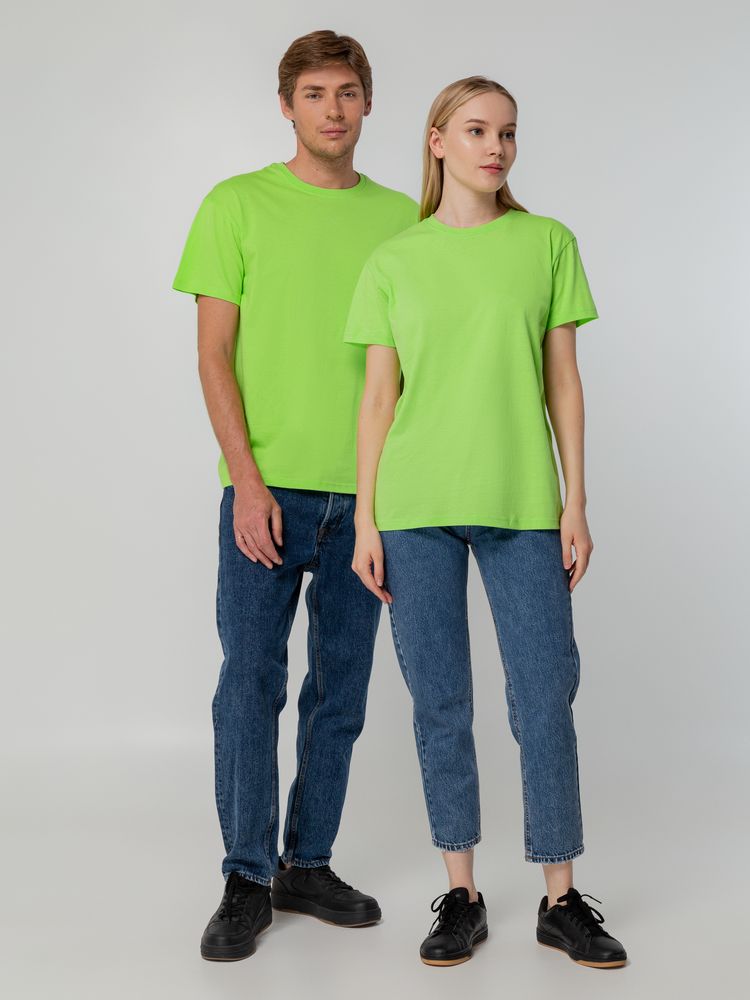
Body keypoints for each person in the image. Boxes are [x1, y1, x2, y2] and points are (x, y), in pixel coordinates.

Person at [344, 76, 628, 970]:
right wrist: (365, 519)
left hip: (522, 502)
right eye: (475, 130)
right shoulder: (394, 260)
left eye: (507, 132)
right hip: (414, 507)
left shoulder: (546, 243)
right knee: (441, 704)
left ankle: (561, 898)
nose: (495, 146)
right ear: (437, 141)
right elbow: (378, 399)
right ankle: (461, 895)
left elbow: (563, 381)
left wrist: (575, 498)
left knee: (544, 696)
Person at [172, 30, 418, 961]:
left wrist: (392, 497)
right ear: (286, 105)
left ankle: (305, 863)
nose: (332, 109)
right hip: (266, 491)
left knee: (341, 688)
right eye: (314, 93)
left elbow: (419, 361)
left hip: (370, 497)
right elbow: (213, 355)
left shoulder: (406, 219)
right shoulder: (236, 205)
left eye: (347, 91)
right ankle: (246, 876)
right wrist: (246, 481)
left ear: (368, 102)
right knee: (250, 683)